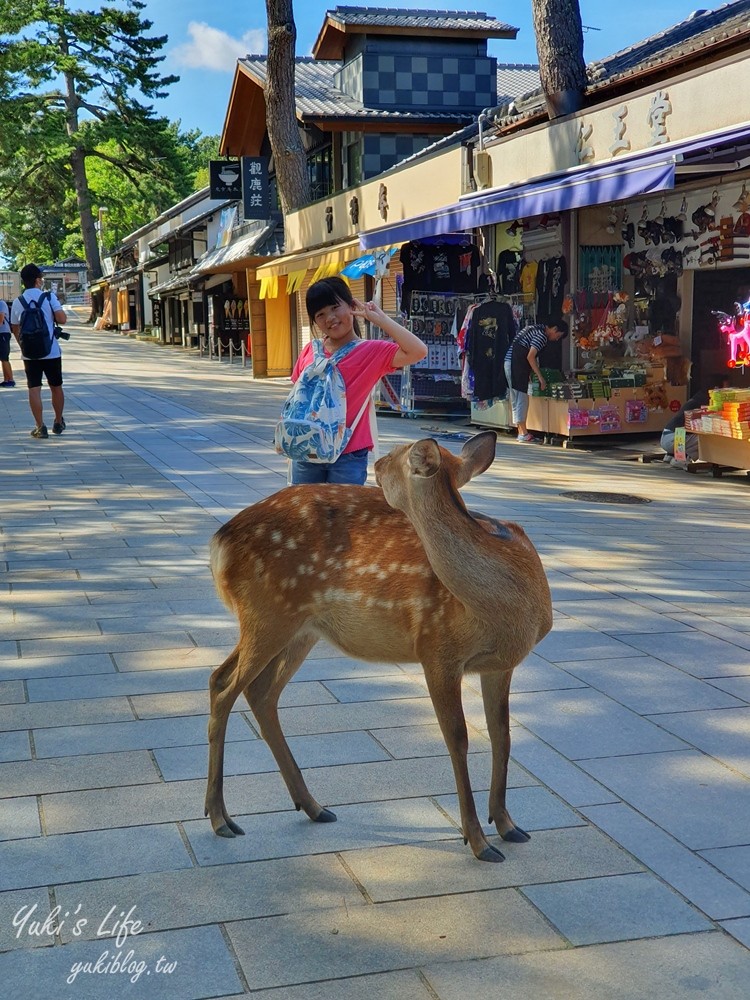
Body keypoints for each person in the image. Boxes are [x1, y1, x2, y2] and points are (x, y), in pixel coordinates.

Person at [288, 276, 427, 485]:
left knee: (343, 517)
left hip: (348, 453)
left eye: (335, 307)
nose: (330, 318)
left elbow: (418, 351)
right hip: (306, 449)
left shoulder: (371, 351)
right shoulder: (310, 350)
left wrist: (380, 318)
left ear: (352, 306)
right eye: (320, 314)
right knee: (305, 516)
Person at [10, 263, 67, 439]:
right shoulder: (49, 297)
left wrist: (23, 346)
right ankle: (57, 422)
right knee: (56, 387)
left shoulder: (18, 302)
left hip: (29, 355)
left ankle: (39, 426)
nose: (42, 281)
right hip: (51, 351)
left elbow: (15, 327)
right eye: (40, 278)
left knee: (34, 389)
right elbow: (62, 319)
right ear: (37, 280)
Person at [503, 319, 569, 442]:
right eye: (558, 336)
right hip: (515, 365)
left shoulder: (534, 328)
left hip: (510, 363)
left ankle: (521, 431)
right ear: (554, 329)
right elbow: (530, 356)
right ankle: (523, 433)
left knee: (516, 398)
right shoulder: (541, 336)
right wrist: (540, 377)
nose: (556, 339)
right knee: (522, 398)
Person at [0, 298, 15, 387]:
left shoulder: (1, 304)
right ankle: (6, 380)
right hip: (1, 333)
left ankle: (11, 379)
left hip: (3, 333)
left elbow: (1, 320)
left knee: (4, 357)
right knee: (2, 358)